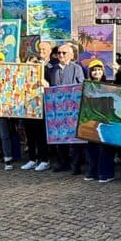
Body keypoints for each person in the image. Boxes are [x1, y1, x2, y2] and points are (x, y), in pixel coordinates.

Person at [46, 42, 86, 174]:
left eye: (64, 53)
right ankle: (63, 163)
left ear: (71, 55)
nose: (61, 55)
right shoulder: (53, 69)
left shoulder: (76, 68)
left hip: (72, 109)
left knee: (74, 140)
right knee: (59, 137)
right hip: (57, 109)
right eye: (59, 53)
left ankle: (76, 164)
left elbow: (81, 85)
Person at [83, 59, 116, 183]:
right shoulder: (87, 86)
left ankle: (106, 173)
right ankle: (93, 172)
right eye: (94, 70)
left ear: (103, 71)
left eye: (99, 70)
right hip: (91, 121)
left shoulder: (109, 85)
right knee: (92, 148)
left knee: (105, 149)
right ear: (90, 72)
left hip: (106, 120)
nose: (97, 72)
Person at [20, 50, 51, 172]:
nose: (30, 65)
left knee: (41, 135)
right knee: (30, 135)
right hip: (27, 108)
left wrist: (45, 84)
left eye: (33, 63)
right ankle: (32, 159)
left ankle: (44, 160)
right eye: (28, 63)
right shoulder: (24, 75)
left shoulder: (44, 73)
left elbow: (50, 87)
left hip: (40, 108)